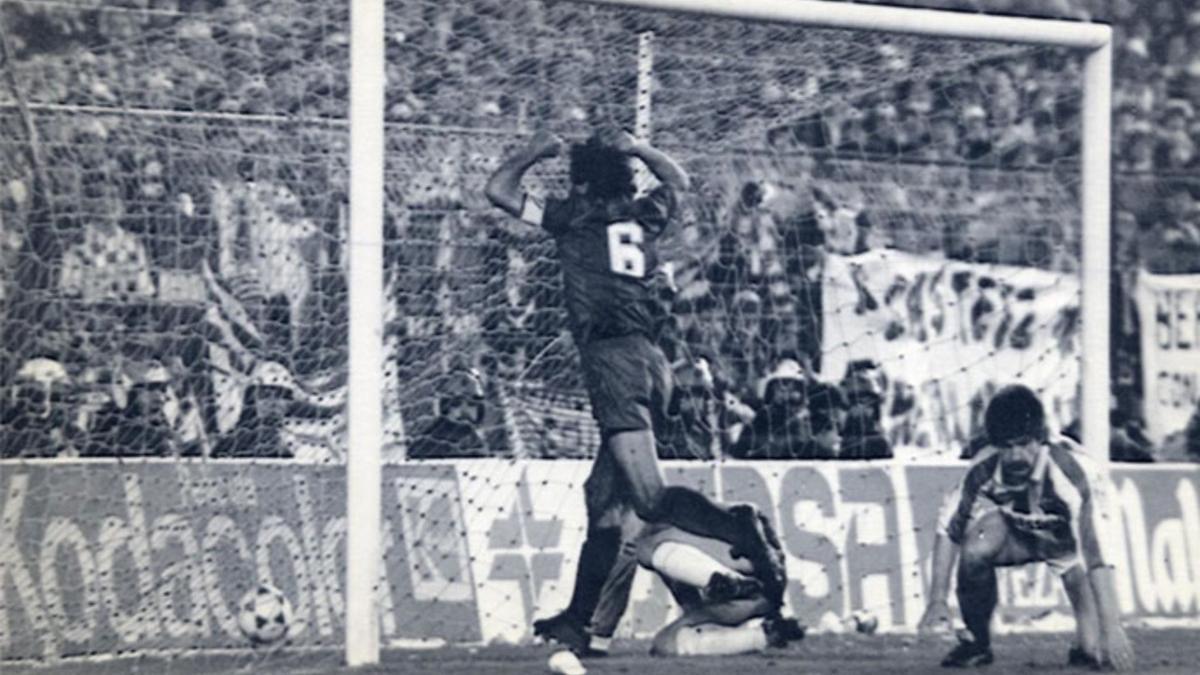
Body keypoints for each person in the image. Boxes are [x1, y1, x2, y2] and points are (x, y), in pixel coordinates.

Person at [485, 126, 784, 654]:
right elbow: (680, 180)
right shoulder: (645, 213)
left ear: (580, 185)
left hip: (613, 360)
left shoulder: (572, 217)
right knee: (601, 501)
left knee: (647, 497)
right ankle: (579, 621)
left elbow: (499, 191)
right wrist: (640, 148)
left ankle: (739, 528)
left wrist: (535, 149)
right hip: (652, 360)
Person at [917, 384, 1134, 671]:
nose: (1016, 456)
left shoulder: (1071, 472)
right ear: (995, 443)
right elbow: (948, 530)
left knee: (1092, 653)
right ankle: (977, 643)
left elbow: (1098, 555)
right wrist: (937, 600)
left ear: (1040, 438)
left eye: (1023, 444)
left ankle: (1087, 639)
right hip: (1019, 532)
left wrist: (1113, 628)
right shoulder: (982, 467)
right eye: (1007, 446)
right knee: (974, 546)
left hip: (1071, 542)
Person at [634, 507, 805, 657]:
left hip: (752, 593)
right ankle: (763, 632)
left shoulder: (659, 539)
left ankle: (760, 632)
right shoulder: (671, 541)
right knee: (651, 548)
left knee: (664, 644)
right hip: (758, 594)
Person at [407, 369, 490, 459]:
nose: (464, 410)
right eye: (456, 404)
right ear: (445, 407)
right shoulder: (428, 444)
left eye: (472, 404)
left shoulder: (473, 439)